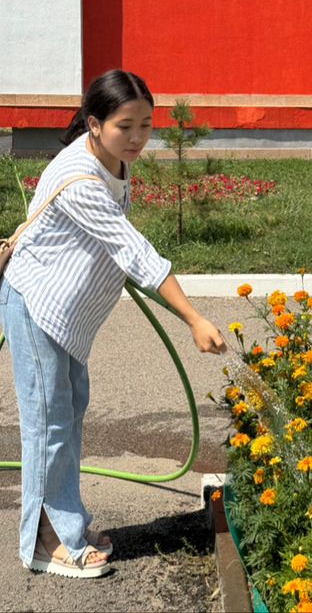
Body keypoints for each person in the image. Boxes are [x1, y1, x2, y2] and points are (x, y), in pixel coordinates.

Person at [0, 69, 227, 580]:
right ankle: (43, 544)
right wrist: (192, 317)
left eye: (147, 124)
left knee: (68, 415)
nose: (139, 137)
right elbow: (133, 250)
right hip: (37, 308)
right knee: (47, 426)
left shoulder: (113, 161)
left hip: (66, 318)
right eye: (127, 126)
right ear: (95, 123)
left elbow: (113, 243)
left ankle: (66, 524)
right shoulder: (80, 178)